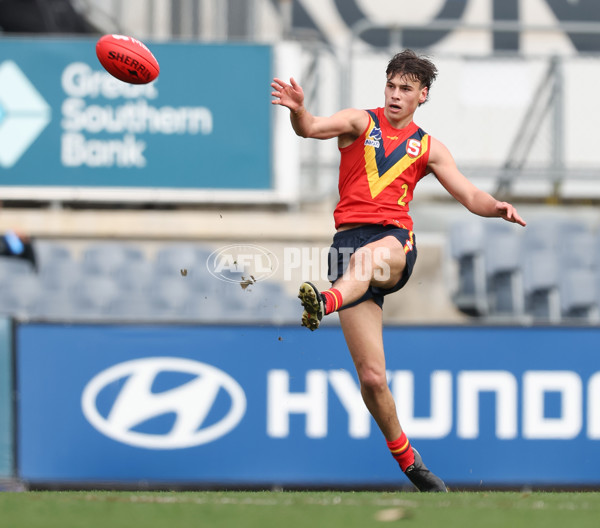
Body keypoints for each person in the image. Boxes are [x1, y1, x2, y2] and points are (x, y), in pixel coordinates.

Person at [271, 49, 527, 492]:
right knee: (372, 379)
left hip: (394, 243)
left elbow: (469, 196)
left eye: (405, 88)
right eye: (391, 85)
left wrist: (497, 208)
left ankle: (325, 300)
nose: (394, 94)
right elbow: (310, 128)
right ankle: (413, 466)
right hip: (346, 245)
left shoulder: (428, 147)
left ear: (422, 95)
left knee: (366, 261)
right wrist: (298, 111)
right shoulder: (358, 122)